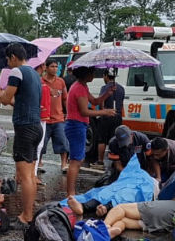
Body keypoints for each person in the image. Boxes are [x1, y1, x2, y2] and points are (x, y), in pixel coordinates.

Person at [0, 43, 43, 228]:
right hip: (36, 126)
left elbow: (3, 98)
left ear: (12, 57)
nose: (7, 64)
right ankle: (28, 212)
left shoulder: (17, 72)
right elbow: (16, 100)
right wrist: (3, 96)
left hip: (25, 129)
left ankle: (26, 216)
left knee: (25, 176)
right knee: (30, 175)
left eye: (7, 60)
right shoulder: (35, 74)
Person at [64, 66, 116, 196]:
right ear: (85, 74)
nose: (93, 75)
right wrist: (104, 112)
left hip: (78, 125)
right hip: (76, 125)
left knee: (78, 159)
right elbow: (84, 111)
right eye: (92, 72)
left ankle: (71, 192)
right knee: (76, 161)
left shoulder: (82, 86)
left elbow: (94, 101)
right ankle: (71, 193)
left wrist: (107, 94)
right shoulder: (79, 88)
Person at [41, 58, 70, 173]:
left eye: (56, 66)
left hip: (59, 118)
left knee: (62, 142)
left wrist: (68, 112)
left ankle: (63, 163)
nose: (55, 69)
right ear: (46, 68)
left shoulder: (61, 82)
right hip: (44, 118)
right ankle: (39, 162)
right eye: (52, 66)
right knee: (41, 143)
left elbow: (65, 99)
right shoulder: (40, 81)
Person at [92, 68, 125, 169]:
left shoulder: (105, 87)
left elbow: (101, 102)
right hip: (118, 116)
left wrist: (102, 111)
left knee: (102, 139)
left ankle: (100, 161)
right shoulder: (121, 88)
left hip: (106, 116)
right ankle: (115, 161)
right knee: (115, 139)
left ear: (106, 76)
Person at [34, 63, 51, 181]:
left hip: (37, 117)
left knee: (37, 146)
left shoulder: (40, 83)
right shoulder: (41, 84)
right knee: (38, 146)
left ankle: (32, 173)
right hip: (39, 118)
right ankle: (32, 174)